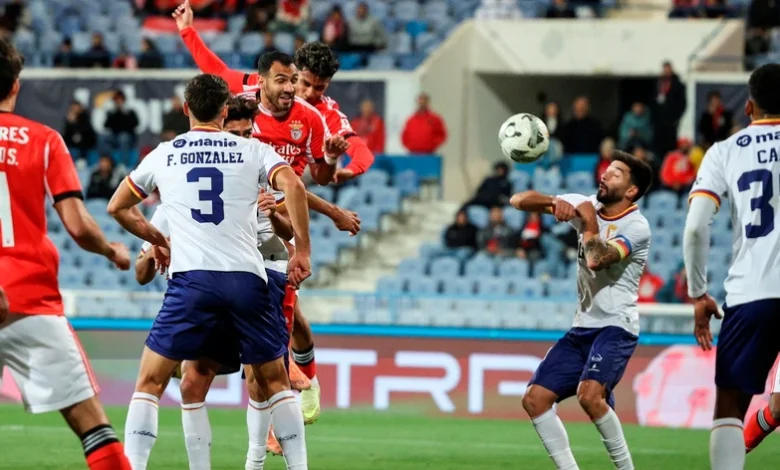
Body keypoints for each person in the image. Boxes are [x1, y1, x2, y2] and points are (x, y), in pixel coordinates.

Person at [109, 73, 312, 470]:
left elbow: (117, 206)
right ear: (224, 111)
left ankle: (134, 465)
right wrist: (302, 250)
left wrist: (157, 238)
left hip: (193, 282)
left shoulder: (165, 154)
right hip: (247, 279)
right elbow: (295, 186)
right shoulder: (251, 151)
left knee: (150, 381)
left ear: (186, 109)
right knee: (274, 381)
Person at [0, 38, 133, 470]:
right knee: (93, 425)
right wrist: (111, 250)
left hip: (24, 298)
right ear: (15, 86)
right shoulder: (44, 141)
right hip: (29, 302)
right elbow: (77, 225)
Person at [511, 150, 653, 470]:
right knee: (534, 399)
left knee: (589, 397)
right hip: (583, 327)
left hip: (617, 326)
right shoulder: (584, 202)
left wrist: (586, 219)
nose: (605, 174)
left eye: (616, 174)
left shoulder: (637, 226)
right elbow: (518, 200)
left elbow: (596, 258)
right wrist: (554, 201)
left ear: (631, 191)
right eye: (607, 169)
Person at [683, 63, 780, 468]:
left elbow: (694, 229)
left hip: (752, 292)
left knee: (729, 405)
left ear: (749, 106)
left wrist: (697, 293)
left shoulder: (724, 151)